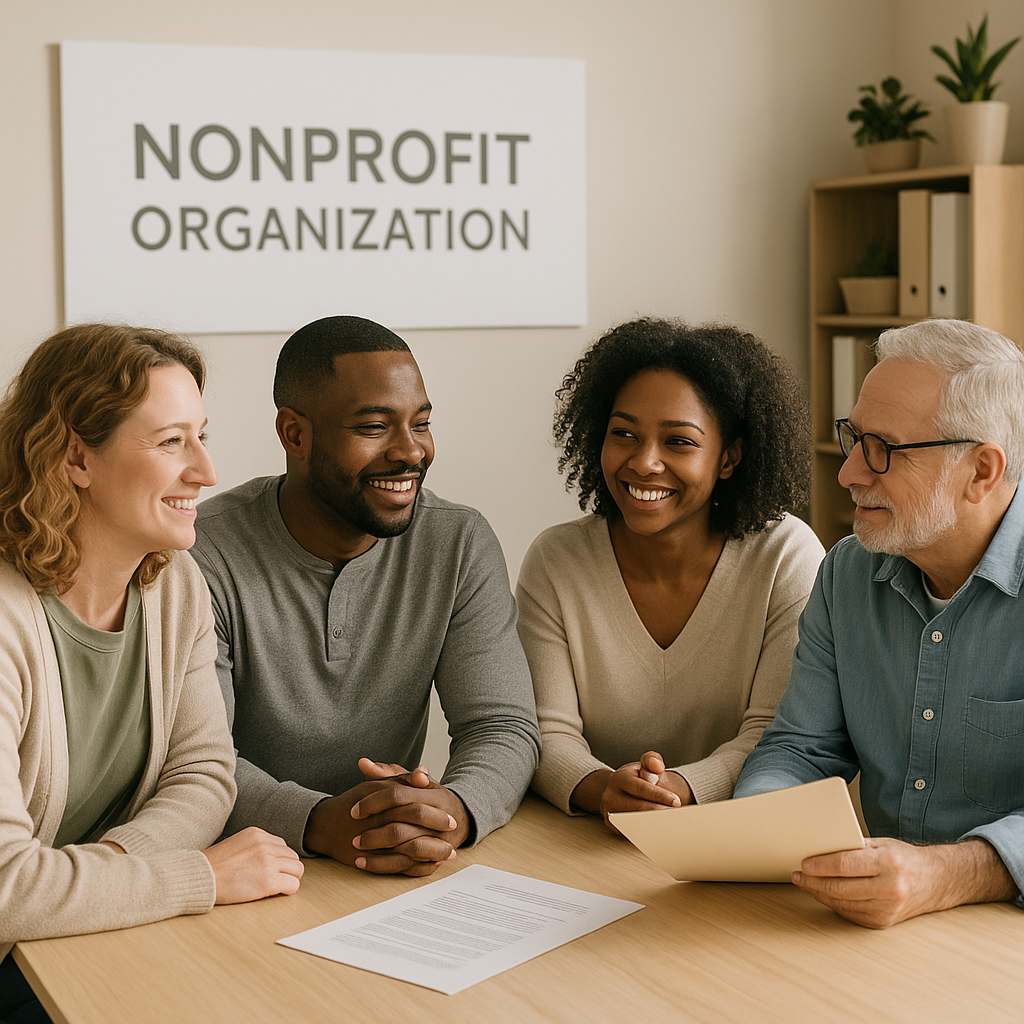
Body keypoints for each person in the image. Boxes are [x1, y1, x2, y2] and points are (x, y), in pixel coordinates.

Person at [0, 324, 302, 1024]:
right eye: (171, 443)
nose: (207, 470)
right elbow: (9, 889)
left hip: (80, 940)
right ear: (77, 457)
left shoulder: (174, 586)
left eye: (201, 435)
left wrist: (114, 877)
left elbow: (203, 775)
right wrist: (195, 876)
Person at [190, 315, 540, 878]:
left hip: (393, 868)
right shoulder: (201, 553)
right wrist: (320, 821)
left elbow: (501, 724)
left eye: (421, 424)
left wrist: (450, 809)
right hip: (245, 866)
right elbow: (196, 759)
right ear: (295, 434)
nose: (411, 452)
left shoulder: (458, 541)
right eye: (375, 427)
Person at [734, 318, 1024, 929]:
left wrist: (947, 875)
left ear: (981, 471)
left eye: (883, 450)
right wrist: (759, 831)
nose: (848, 474)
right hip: (877, 931)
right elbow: (801, 748)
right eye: (854, 438)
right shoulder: (846, 572)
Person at [516, 318, 824, 827]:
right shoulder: (557, 561)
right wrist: (604, 789)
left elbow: (777, 736)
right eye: (624, 434)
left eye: (679, 442)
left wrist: (676, 789)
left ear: (728, 458)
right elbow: (545, 733)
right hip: (589, 839)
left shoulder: (785, 557)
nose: (645, 462)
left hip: (734, 837)